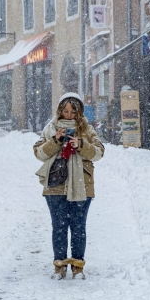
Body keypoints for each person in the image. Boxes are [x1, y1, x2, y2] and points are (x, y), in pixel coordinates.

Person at [33, 93, 105, 280]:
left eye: (73, 111)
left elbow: (98, 153)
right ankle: (59, 265)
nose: (69, 115)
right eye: (65, 111)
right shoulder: (50, 128)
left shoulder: (87, 130)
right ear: (60, 111)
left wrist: (81, 144)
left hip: (82, 184)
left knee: (78, 226)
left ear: (79, 112)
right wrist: (56, 140)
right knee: (59, 226)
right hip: (56, 184)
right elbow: (39, 153)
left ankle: (77, 265)